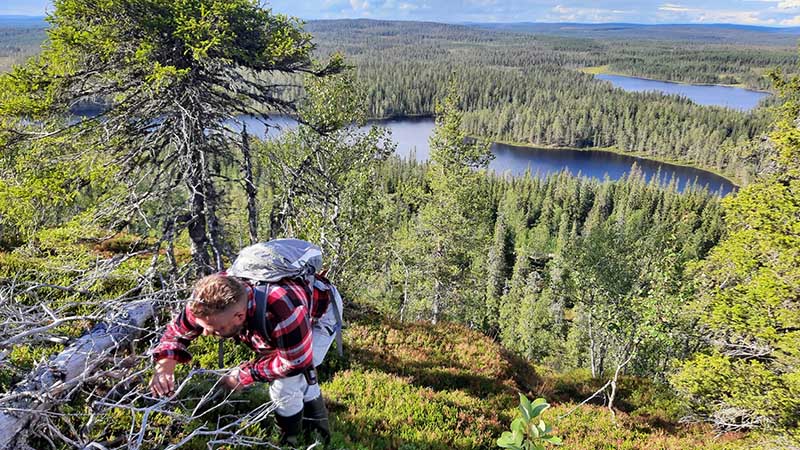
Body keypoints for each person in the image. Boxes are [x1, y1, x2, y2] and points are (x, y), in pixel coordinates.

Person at [148, 273, 334, 445]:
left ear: (239, 316)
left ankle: (290, 441)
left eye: (215, 327)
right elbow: (177, 333)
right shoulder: (207, 302)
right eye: (202, 326)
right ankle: (316, 429)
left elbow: (294, 363)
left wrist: (243, 376)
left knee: (286, 385)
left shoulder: (283, 310)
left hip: (320, 315)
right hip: (283, 321)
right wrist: (165, 364)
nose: (205, 333)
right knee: (298, 376)